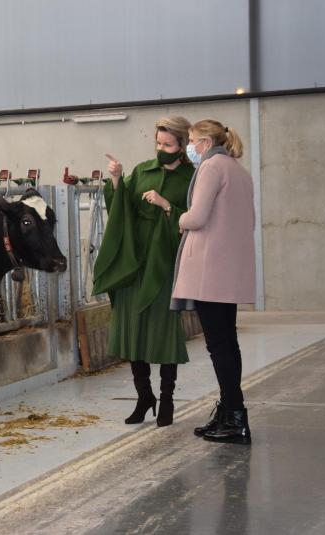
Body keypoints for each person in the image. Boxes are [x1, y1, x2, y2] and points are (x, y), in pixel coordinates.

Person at [93, 116, 195, 427]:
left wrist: (167, 206)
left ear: (182, 145)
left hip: (164, 262)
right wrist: (116, 179)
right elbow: (120, 207)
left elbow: (195, 220)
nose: (161, 149)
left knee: (163, 333)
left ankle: (167, 400)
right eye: (158, 143)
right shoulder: (142, 171)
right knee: (133, 329)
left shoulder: (193, 178)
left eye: (168, 144)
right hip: (135, 260)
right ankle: (144, 396)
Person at [171, 119, 256, 445]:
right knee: (227, 344)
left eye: (191, 141)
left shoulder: (211, 168)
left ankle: (234, 418)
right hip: (229, 269)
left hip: (210, 271)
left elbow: (197, 216)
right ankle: (229, 411)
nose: (190, 147)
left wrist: (179, 218)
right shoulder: (238, 170)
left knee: (218, 345)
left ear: (204, 142)